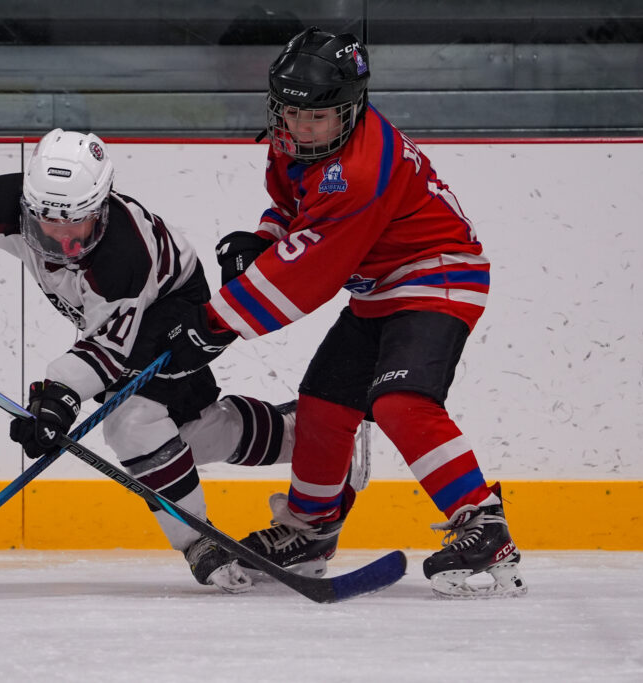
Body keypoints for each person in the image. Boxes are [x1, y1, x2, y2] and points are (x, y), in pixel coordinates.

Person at [149, 28, 527, 598]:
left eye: (318, 117)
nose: (300, 127)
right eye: (290, 113)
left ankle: (484, 523)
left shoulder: (360, 169)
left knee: (400, 401)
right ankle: (311, 530)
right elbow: (291, 209)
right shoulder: (296, 139)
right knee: (324, 405)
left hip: (438, 274)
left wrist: (212, 323)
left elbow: (309, 275)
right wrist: (264, 239)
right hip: (379, 287)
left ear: (352, 110)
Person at [0, 128, 308, 594]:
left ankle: (198, 541)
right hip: (113, 323)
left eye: (77, 223)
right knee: (186, 432)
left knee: (133, 424)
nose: (61, 239)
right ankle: (307, 439)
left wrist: (57, 399)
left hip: (174, 312)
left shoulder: (121, 256)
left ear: (102, 205)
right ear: (27, 203)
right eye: (47, 222)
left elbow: (106, 350)